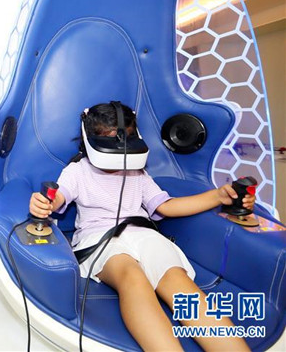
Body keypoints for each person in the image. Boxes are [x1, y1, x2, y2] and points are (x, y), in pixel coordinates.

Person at [29, 102, 252, 351]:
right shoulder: (77, 171)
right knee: (132, 277)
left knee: (178, 281)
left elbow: (166, 206)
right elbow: (59, 197)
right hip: (100, 240)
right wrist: (45, 203)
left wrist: (218, 196)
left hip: (143, 235)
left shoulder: (138, 173)